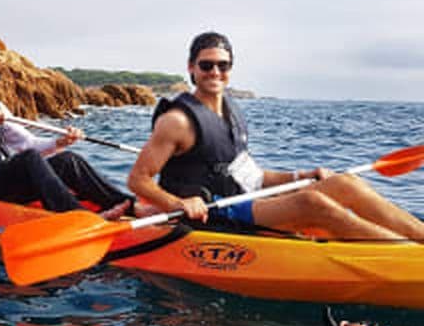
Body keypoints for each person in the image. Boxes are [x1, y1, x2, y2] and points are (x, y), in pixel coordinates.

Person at [127, 31, 424, 240]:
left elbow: (251, 176)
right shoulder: (176, 121)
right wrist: (178, 204)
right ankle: (407, 256)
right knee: (312, 203)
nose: (215, 72)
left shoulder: (229, 112)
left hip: (245, 199)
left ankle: (419, 239)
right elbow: (137, 179)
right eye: (206, 65)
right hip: (214, 212)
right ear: (192, 68)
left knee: (345, 183)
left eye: (223, 65)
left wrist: (301, 175)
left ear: (231, 68)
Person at [0, 50, 138, 219]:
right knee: (28, 159)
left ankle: (130, 206)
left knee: (67, 159)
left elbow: (27, 142)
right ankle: (77, 216)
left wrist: (59, 142)